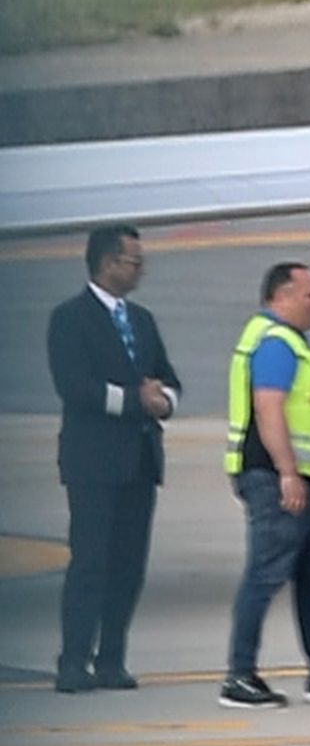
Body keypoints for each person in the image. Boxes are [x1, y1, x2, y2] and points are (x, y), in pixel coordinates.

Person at [45, 225, 181, 693]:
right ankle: (73, 660)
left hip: (140, 461)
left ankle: (112, 659)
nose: (140, 268)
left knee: (128, 565)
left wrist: (164, 402)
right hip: (93, 463)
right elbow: (75, 388)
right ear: (107, 263)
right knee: (90, 562)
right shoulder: (69, 318)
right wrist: (134, 401)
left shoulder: (141, 320)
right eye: (133, 261)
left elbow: (169, 380)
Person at [220, 262, 310, 709]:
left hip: (303, 477)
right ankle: (240, 674)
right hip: (278, 479)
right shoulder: (275, 344)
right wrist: (288, 471)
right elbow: (269, 408)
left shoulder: (285, 342)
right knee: (265, 574)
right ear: (282, 297)